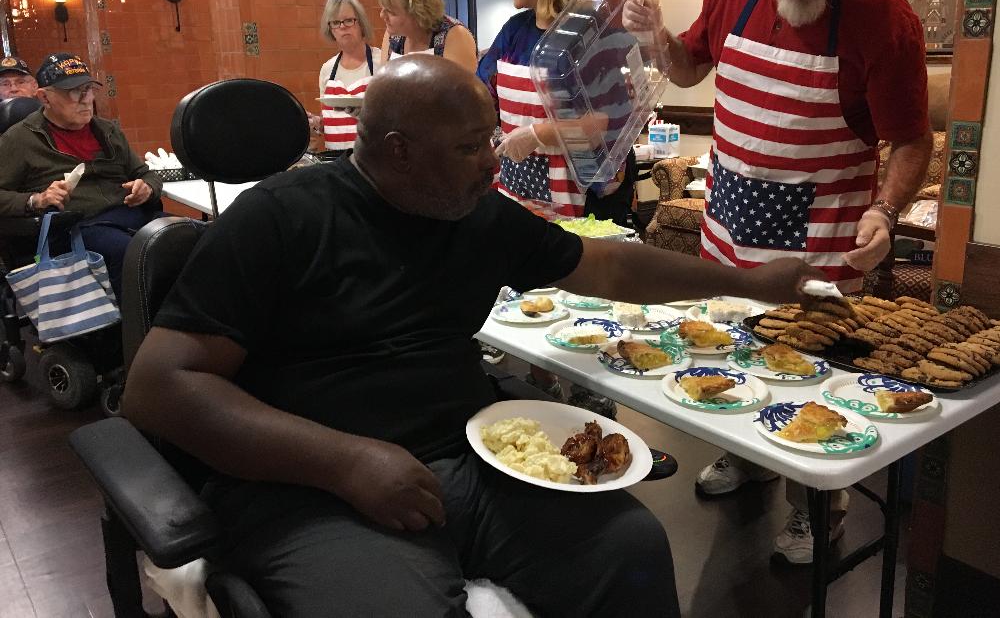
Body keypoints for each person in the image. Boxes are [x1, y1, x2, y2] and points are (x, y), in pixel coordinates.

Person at [122, 55, 821, 617]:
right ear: (397, 151)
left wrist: (753, 282)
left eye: (490, 140)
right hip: (307, 488)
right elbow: (159, 389)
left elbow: (606, 263)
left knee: (630, 546)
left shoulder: (472, 213)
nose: (494, 163)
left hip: (466, 465)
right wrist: (346, 463)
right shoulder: (278, 219)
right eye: (468, 148)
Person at [623, 0, 933, 565]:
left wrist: (885, 210)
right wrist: (655, 37)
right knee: (730, 349)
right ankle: (748, 456)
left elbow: (911, 139)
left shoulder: (884, 18)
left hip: (821, 239)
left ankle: (816, 509)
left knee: (808, 369)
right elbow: (686, 70)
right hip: (731, 219)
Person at [477, 0, 637, 414]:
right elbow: (485, 92)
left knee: (582, 287)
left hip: (583, 187)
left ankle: (594, 390)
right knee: (532, 279)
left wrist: (537, 134)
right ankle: (543, 379)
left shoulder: (597, 34)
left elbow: (604, 122)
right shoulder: (514, 30)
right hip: (520, 180)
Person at [0, 53, 163, 300]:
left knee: (187, 235)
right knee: (132, 252)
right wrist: (36, 199)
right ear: (44, 97)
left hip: (128, 216)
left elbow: (145, 173)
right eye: (73, 92)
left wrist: (147, 188)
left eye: (88, 90)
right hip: (74, 227)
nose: (85, 100)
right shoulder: (19, 139)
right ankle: (134, 332)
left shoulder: (107, 131)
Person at [376, 0, 479, 72]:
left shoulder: (455, 36)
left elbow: (464, 88)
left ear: (417, 12)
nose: (382, 15)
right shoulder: (393, 35)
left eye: (391, 12)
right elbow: (383, 82)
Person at [315, 0, 381, 155]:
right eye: (336, 22)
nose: (342, 27)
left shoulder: (382, 62)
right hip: (335, 160)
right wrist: (316, 124)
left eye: (348, 20)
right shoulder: (327, 69)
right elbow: (331, 122)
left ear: (361, 23)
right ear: (330, 29)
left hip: (372, 158)